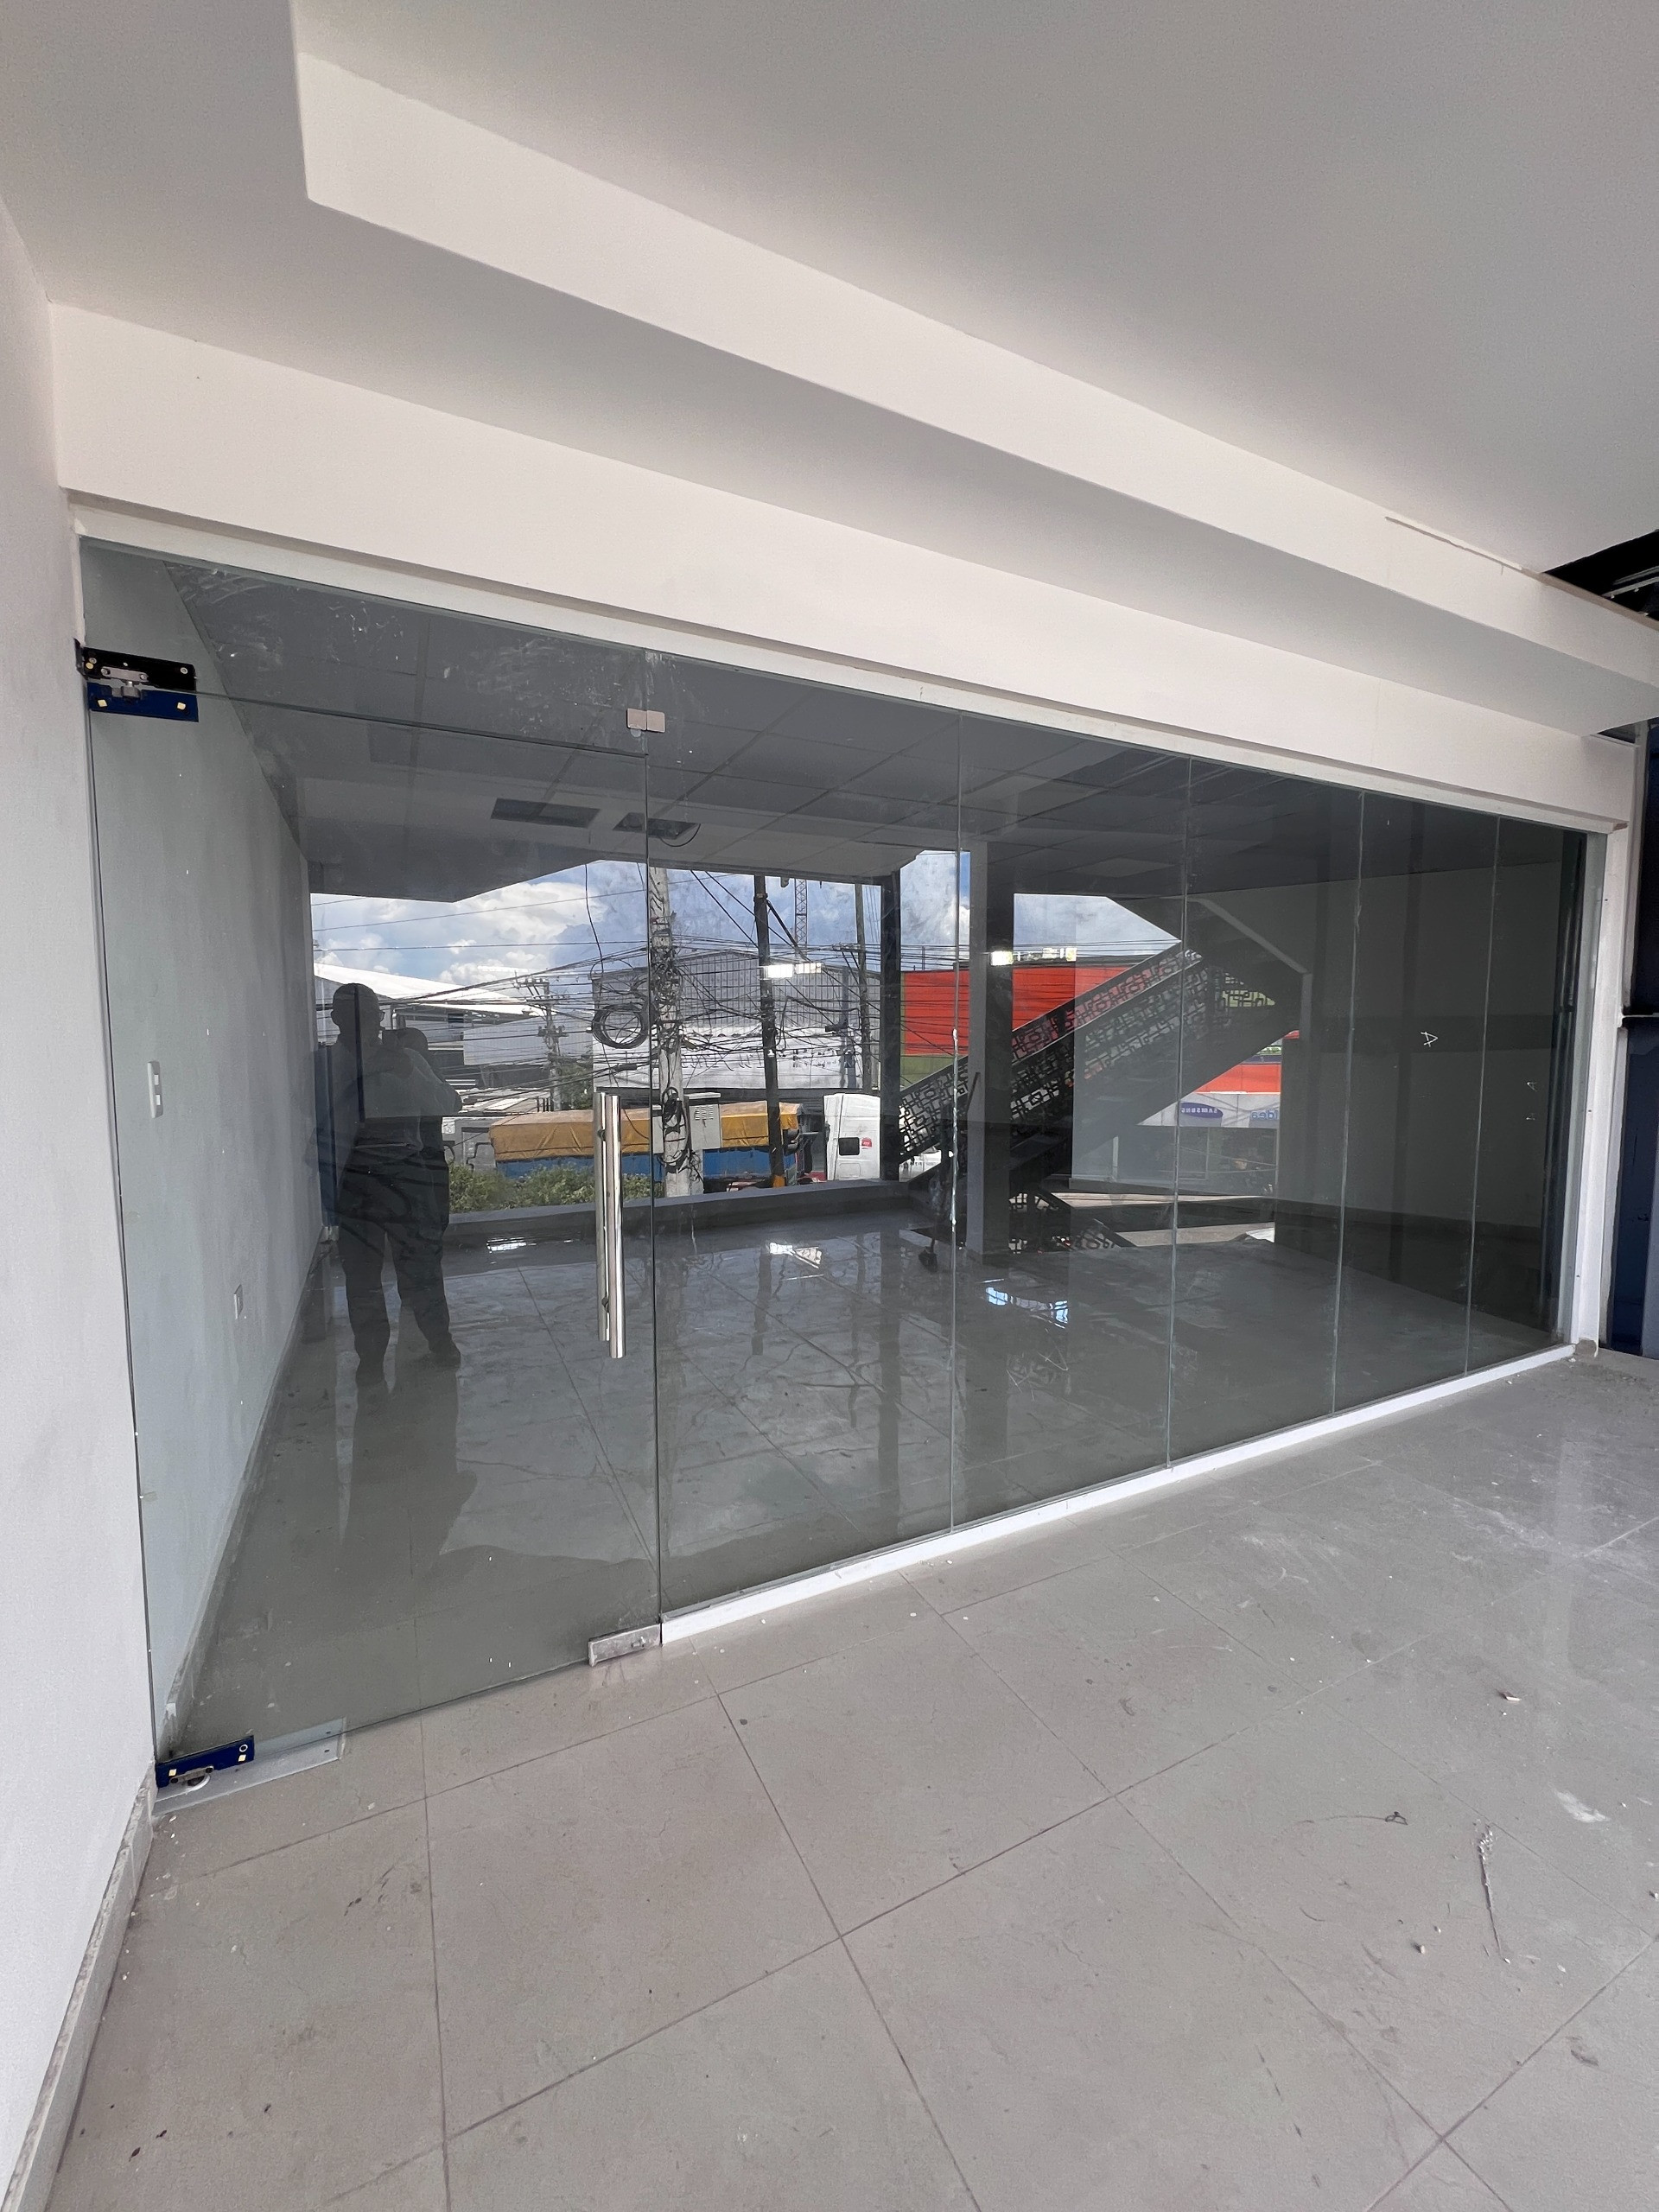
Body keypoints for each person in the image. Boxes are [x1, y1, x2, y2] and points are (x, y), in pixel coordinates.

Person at [327, 982, 462, 1378]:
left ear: (380, 1018)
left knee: (421, 1265)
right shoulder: (328, 1065)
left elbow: (448, 1104)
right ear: (336, 1020)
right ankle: (370, 1360)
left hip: (407, 1174)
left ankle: (439, 1340)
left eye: (372, 1015)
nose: (368, 1024)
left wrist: (408, 1069)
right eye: (358, 1016)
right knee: (361, 1275)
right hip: (354, 1177)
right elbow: (318, 1114)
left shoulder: (406, 1059)